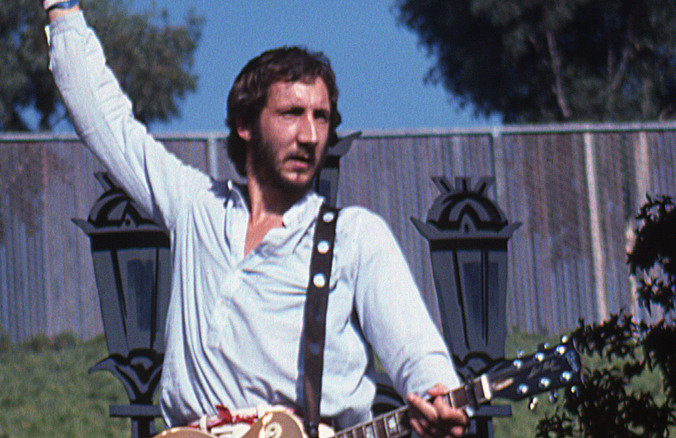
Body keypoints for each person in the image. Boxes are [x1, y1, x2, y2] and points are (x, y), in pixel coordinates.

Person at [42, 2, 468, 437]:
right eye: (291, 114)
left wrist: (439, 399)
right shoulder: (197, 208)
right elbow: (105, 121)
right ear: (245, 123)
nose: (310, 136)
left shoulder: (355, 236)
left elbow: (419, 354)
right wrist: (62, 10)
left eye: (321, 117)